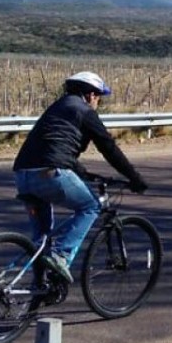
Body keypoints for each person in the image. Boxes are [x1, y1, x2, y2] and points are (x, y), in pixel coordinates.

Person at [12, 71, 147, 283]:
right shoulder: (84, 111)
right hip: (50, 174)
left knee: (41, 242)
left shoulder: (57, 108)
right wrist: (135, 178)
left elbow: (56, 147)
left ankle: (38, 289)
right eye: (99, 97)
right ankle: (62, 256)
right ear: (91, 94)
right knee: (90, 207)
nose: (98, 102)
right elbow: (108, 147)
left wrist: (84, 173)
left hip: (23, 176)